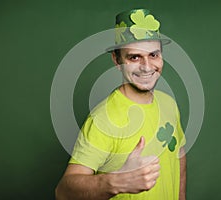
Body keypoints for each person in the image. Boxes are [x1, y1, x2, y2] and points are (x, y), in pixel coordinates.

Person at [55, 8, 186, 200]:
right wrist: (117, 182)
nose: (147, 66)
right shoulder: (102, 119)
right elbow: (63, 192)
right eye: (134, 57)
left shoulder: (169, 104)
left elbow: (179, 154)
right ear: (117, 60)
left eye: (153, 55)